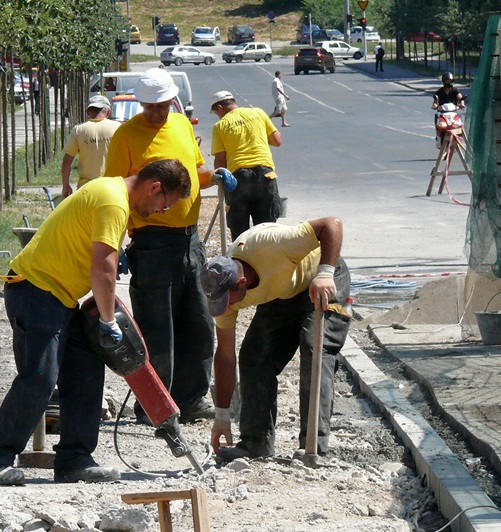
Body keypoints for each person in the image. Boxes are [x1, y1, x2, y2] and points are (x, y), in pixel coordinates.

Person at [0, 159, 192, 486]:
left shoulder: (112, 196)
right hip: (35, 290)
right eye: (166, 203)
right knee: (39, 377)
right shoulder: (112, 201)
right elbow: (104, 268)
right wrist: (108, 322)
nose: (163, 210)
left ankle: (74, 460)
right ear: (154, 187)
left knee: (86, 369)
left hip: (59, 298)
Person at [104, 68, 237, 425]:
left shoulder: (179, 126)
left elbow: (194, 173)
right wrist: (115, 246)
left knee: (198, 324)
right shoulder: (126, 137)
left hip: (190, 241)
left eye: (161, 106)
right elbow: (113, 194)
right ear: (140, 103)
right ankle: (153, 405)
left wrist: (214, 177)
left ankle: (191, 399)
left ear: (172, 101)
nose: (156, 113)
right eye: (149, 107)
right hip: (152, 244)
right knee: (156, 329)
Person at [200, 218, 352, 462]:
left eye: (228, 300)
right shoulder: (224, 294)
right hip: (282, 291)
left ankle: (313, 444)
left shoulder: (273, 245)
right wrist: (221, 416)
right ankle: (255, 443)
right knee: (253, 356)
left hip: (320, 279)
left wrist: (325, 273)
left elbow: (332, 224)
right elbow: (226, 354)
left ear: (242, 283)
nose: (225, 307)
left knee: (316, 348)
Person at [210, 90, 283, 241]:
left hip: (239, 178)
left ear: (220, 108)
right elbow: (277, 141)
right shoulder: (258, 113)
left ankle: (242, 262)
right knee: (267, 231)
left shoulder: (220, 125)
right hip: (266, 176)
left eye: (216, 112)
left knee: (240, 233)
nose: (217, 115)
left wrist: (221, 182)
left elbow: (220, 161)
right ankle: (266, 263)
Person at [60, 95, 120, 198]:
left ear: (88, 112)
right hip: (113, 187)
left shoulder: (79, 130)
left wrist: (65, 186)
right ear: (108, 112)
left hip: (86, 189)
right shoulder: (118, 128)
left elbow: (67, 161)